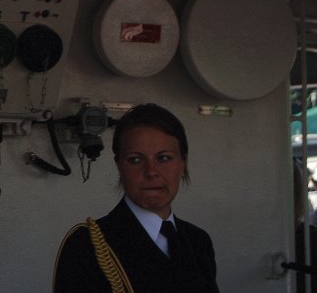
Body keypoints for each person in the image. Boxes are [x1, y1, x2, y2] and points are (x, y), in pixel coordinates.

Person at [53, 103, 219, 293]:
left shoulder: (197, 240)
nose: (151, 172)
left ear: (183, 162)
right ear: (119, 165)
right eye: (135, 160)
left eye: (163, 158)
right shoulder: (88, 245)